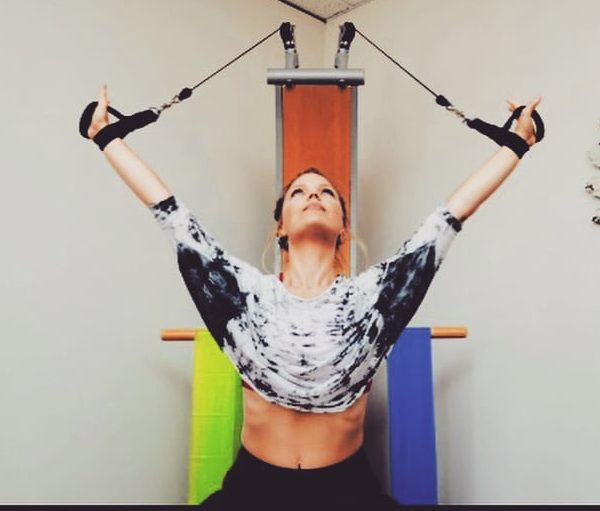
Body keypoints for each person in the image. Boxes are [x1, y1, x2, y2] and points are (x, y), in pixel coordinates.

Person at [85, 84, 542, 509]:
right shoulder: (244, 297)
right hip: (253, 488)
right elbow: (169, 213)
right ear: (280, 225)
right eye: (299, 191)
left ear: (343, 225)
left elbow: (451, 216)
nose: (313, 195)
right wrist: (107, 137)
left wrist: (517, 144)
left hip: (347, 489)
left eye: (326, 192)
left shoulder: (375, 300)